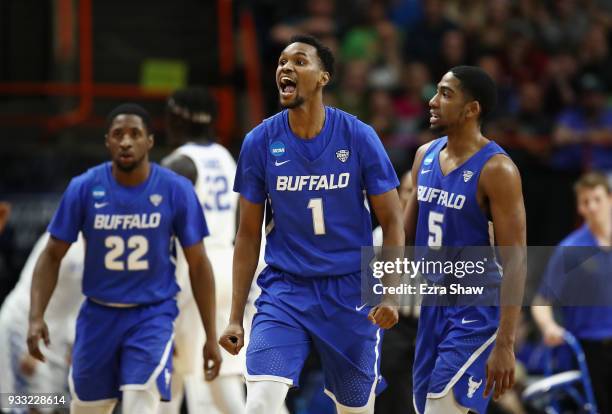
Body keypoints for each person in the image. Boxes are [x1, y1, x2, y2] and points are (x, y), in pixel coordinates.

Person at [219, 34, 405, 414]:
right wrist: (236, 316)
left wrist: (388, 294)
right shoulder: (260, 142)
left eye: (300, 61)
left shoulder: (358, 136)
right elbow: (248, 234)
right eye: (282, 63)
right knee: (259, 404)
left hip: (351, 291)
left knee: (356, 410)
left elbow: (392, 222)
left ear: (323, 77)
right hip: (285, 291)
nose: (286, 68)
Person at [27, 103, 221, 414]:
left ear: (150, 142)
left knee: (138, 403)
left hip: (152, 316)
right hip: (98, 316)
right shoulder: (84, 187)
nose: (126, 141)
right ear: (107, 141)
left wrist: (210, 335)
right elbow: (51, 256)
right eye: (118, 134)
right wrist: (36, 316)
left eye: (135, 134)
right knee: (88, 408)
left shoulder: (177, 190)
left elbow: (199, 265)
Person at [404, 66, 526, 414]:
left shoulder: (497, 169)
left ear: (472, 109)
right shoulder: (424, 156)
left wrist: (505, 342)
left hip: (476, 308)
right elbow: (407, 237)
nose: (432, 101)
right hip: (432, 305)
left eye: (445, 94)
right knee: (425, 406)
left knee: (440, 406)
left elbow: (516, 259)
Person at [159, 87, 245, 414]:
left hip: (193, 271)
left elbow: (162, 230)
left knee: (184, 367)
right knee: (182, 371)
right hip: (227, 265)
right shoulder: (225, 155)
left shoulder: (178, 162)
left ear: (179, 119)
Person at [531, 172, 612, 413]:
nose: (592, 206)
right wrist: (549, 327)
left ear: (610, 199)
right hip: (591, 350)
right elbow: (541, 302)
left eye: (597, 199)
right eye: (586, 201)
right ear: (579, 208)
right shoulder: (570, 250)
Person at [0, 233, 83, 414]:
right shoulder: (60, 238)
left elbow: (77, 303)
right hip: (24, 324)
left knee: (57, 403)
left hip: (57, 334)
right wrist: (30, 345)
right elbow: (34, 291)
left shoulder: (103, 248)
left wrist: (71, 344)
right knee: (30, 404)